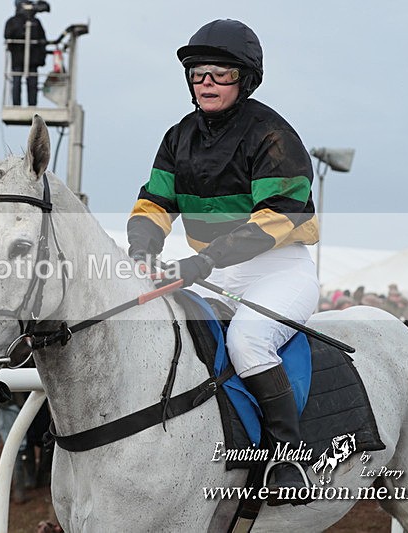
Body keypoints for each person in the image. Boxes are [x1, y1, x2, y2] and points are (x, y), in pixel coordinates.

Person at [126, 19, 319, 506]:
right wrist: (143, 249)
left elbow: (278, 217)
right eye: (198, 73)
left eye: (220, 72)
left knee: (248, 341)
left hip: (280, 268)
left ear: (245, 78)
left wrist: (205, 260)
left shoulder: (273, 134)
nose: (206, 81)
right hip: (215, 268)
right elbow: (153, 204)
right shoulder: (178, 137)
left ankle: (288, 457)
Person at [4, 0, 49, 106]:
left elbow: (42, 40)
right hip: (18, 58)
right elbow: (7, 35)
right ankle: (16, 104)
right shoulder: (13, 22)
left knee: (32, 83)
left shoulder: (35, 22)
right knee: (17, 81)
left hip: (32, 60)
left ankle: (32, 104)